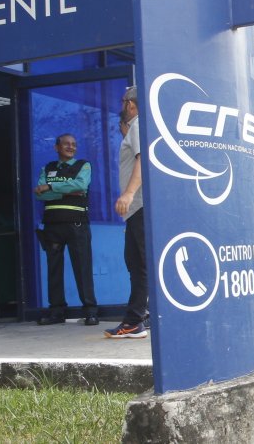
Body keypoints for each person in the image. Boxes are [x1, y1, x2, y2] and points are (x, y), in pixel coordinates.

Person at [34, 133, 98, 326]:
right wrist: (67, 191)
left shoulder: (83, 166)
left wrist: (51, 187)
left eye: (74, 144)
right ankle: (56, 312)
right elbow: (40, 195)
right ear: (56, 147)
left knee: (82, 268)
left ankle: (90, 312)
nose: (71, 147)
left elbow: (81, 185)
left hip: (77, 224)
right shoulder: (48, 168)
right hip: (52, 225)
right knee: (54, 269)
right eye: (66, 144)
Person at [106, 87, 148, 339]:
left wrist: (129, 193)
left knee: (141, 264)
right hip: (136, 210)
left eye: (123, 101)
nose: (122, 105)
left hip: (140, 206)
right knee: (137, 264)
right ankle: (137, 319)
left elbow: (143, 159)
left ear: (130, 105)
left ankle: (136, 319)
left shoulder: (139, 125)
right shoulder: (137, 127)